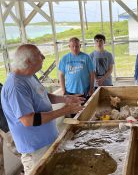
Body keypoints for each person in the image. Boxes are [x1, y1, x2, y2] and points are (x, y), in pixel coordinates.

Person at [1, 44, 84, 175]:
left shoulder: (30, 75)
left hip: (48, 141)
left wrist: (66, 99)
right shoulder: (16, 86)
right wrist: (63, 111)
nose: (44, 57)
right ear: (28, 61)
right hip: (35, 149)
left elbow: (43, 95)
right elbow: (28, 120)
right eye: (40, 54)